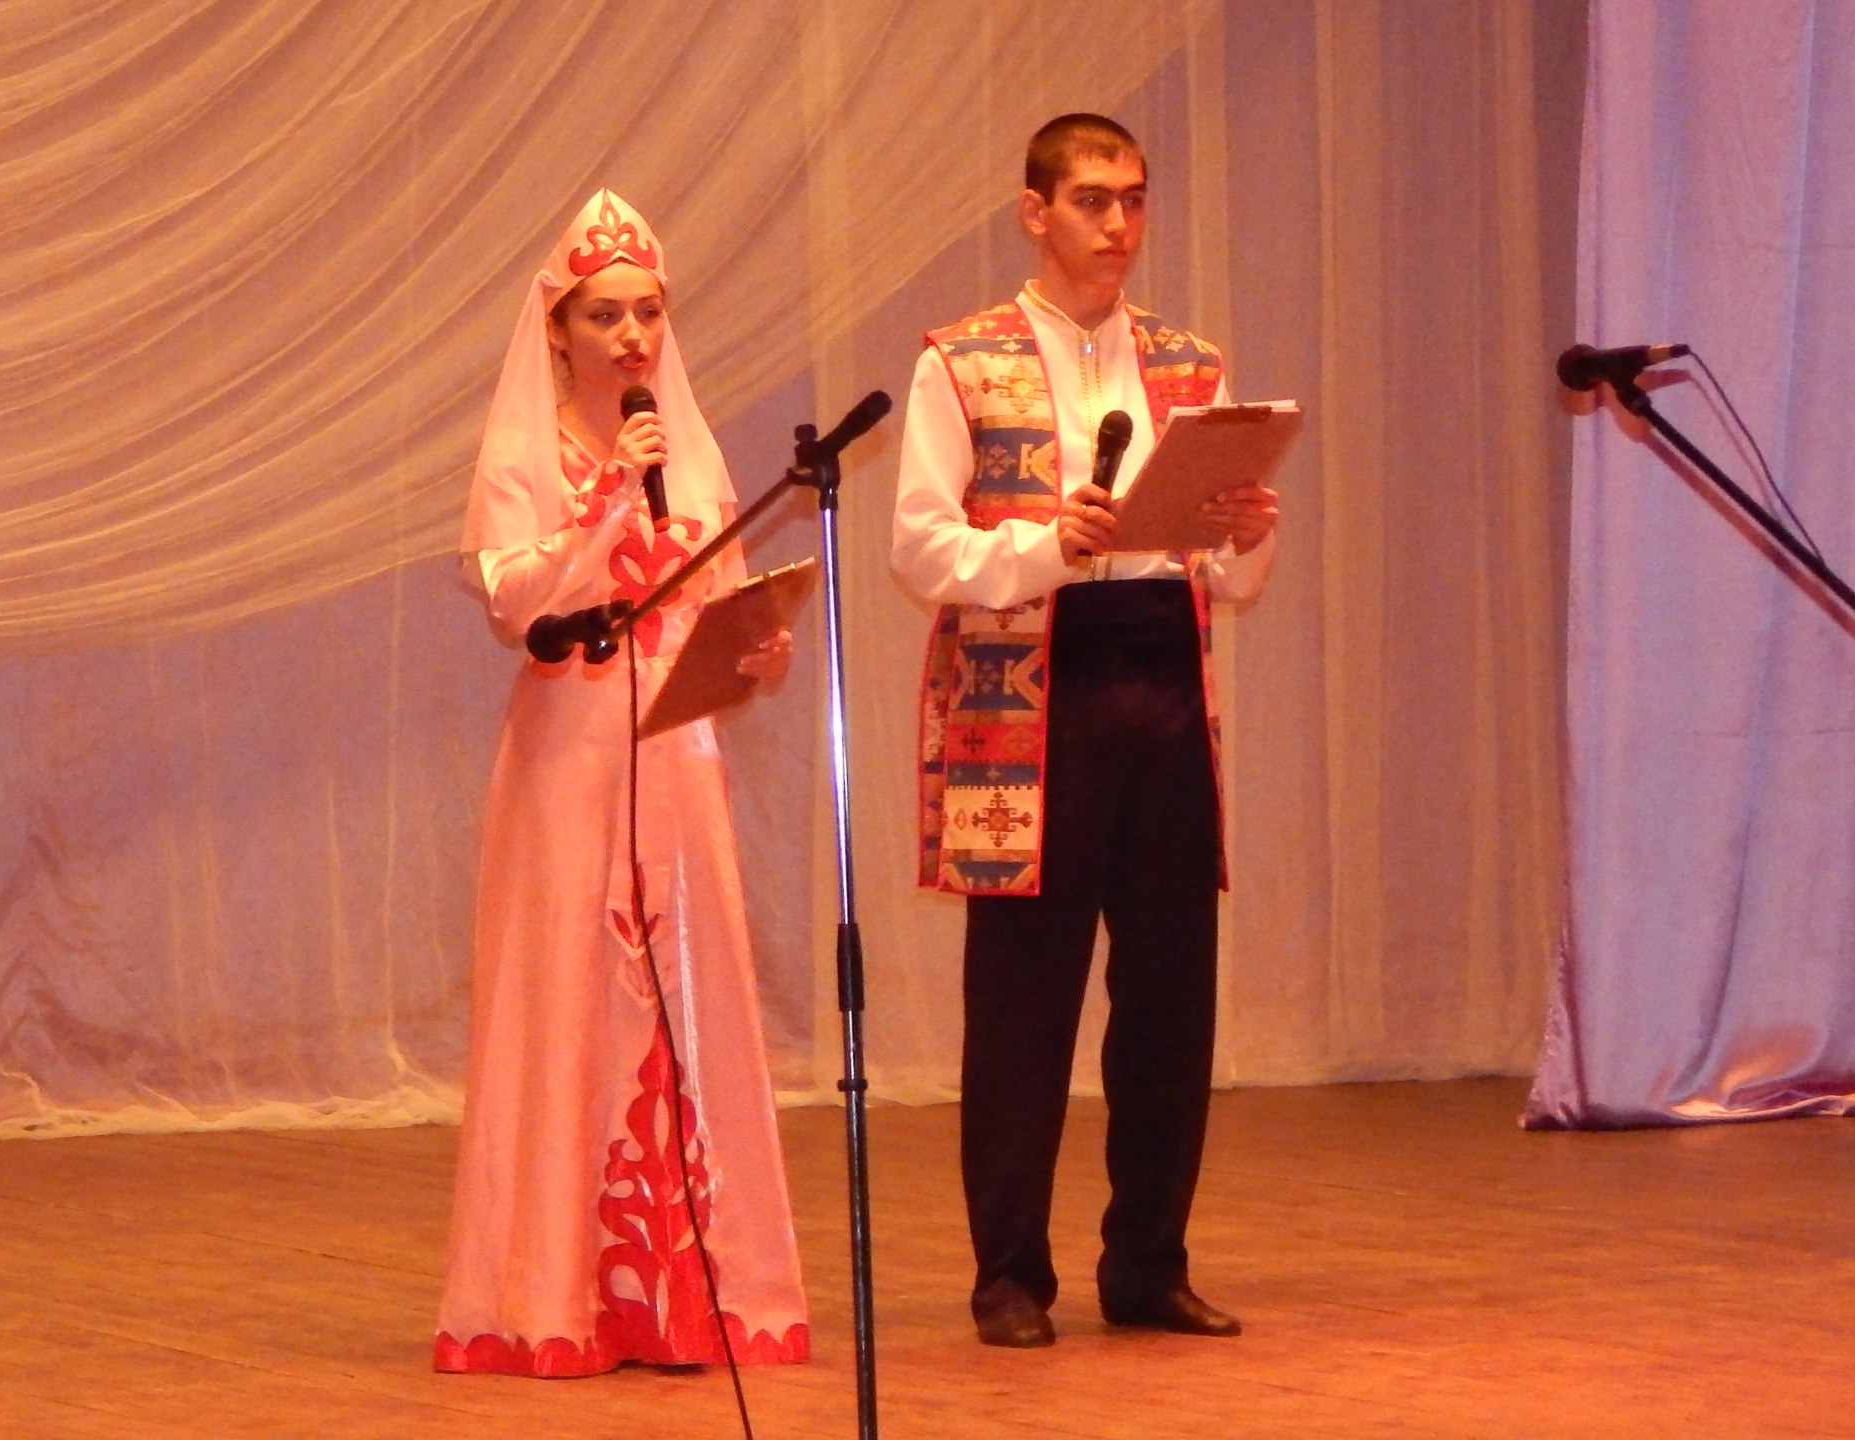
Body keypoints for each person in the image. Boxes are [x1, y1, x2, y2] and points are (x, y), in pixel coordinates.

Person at [891, 114, 1281, 1349]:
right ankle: (1010, 1274)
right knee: (1023, 999)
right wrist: (1040, 545)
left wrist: (1243, 532)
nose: (1118, 224)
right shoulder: (961, 360)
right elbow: (920, 549)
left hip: (1160, 673)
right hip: (1031, 687)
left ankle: (1148, 1264)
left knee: (1169, 992)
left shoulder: (1190, 363)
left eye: (1134, 199)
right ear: (1035, 211)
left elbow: (1227, 576)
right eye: (1093, 200)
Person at [435, 190, 810, 1377]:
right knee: (566, 992)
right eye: (605, 316)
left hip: (673, 751)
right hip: (570, 751)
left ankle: (694, 1291)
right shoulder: (526, 453)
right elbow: (513, 601)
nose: (633, 335)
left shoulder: (687, 451)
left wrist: (754, 645)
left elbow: (713, 594)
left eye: (647, 311)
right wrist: (604, 499)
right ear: (559, 330)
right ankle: (557, 1295)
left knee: (687, 988)